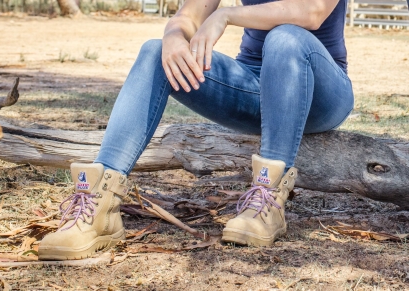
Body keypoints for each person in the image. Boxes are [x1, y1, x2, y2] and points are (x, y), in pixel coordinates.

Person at [38, 0, 354, 260]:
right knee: (155, 51)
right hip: (251, 86)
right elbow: (188, 15)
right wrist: (175, 36)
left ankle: (266, 200)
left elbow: (312, 12)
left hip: (319, 92)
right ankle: (98, 207)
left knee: (286, 37)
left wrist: (227, 14)